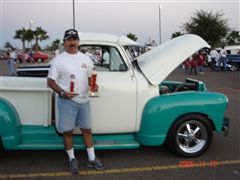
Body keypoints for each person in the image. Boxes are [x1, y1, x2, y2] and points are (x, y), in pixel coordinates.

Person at [47, 29, 106, 174]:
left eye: (74, 39)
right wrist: (62, 92)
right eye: (69, 39)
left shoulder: (86, 59)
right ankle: (72, 160)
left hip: (84, 101)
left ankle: (92, 159)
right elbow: (50, 81)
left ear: (78, 42)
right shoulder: (58, 60)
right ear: (64, 42)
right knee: (68, 132)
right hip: (67, 101)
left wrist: (94, 85)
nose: (72, 42)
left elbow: (90, 78)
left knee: (87, 130)